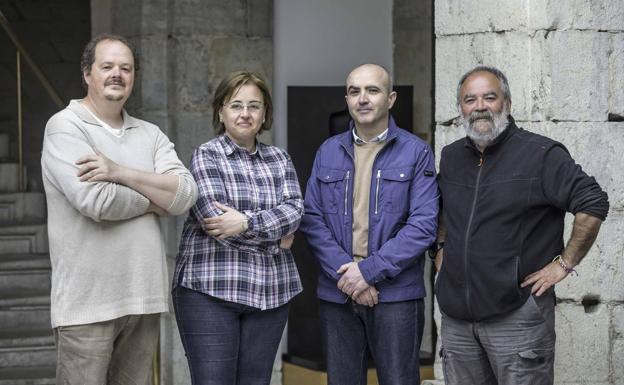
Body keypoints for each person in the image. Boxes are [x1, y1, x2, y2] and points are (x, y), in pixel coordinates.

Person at [433, 65, 609, 385]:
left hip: (517, 317)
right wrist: (442, 246)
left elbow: (593, 203)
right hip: (457, 321)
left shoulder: (541, 154)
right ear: (460, 109)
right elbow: (444, 207)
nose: (480, 106)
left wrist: (565, 264)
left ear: (508, 104)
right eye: (470, 100)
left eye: (490, 97)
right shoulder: (451, 156)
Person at [41, 34, 198, 384]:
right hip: (87, 305)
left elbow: (186, 194)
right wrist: (155, 200)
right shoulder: (65, 126)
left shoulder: (151, 134)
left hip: (143, 299)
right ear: (87, 74)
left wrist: (119, 172)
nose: (117, 74)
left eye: (125, 68)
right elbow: (96, 201)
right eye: (107, 66)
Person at [299, 63, 439, 385]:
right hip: (339, 292)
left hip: (396, 296)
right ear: (347, 100)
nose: (362, 99)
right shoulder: (328, 151)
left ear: (390, 99)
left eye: (372, 90)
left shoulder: (416, 152)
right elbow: (313, 217)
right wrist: (349, 273)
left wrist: (368, 272)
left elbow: (423, 225)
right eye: (354, 91)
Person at [172, 71, 303, 385]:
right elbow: (214, 222)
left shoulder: (280, 159)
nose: (245, 113)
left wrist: (245, 222)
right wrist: (275, 238)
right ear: (221, 111)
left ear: (264, 114)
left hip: (270, 295)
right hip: (211, 292)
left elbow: (295, 210)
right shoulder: (206, 156)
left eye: (254, 106)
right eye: (236, 105)